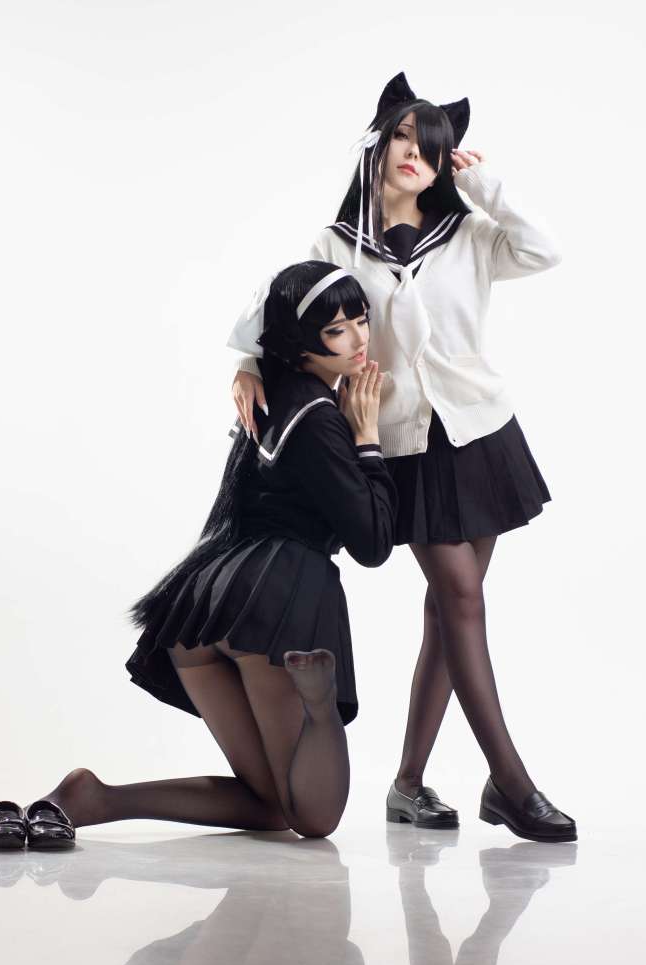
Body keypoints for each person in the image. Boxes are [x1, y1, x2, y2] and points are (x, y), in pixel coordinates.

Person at [230, 72, 577, 843]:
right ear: (379, 144)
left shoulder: (469, 233)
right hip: (405, 443)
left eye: (431, 144)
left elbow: (544, 248)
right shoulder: (335, 243)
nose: (414, 151)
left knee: (446, 611)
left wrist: (481, 183)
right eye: (402, 136)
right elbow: (285, 309)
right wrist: (251, 363)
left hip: (481, 433)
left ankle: (408, 785)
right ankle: (510, 782)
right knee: (461, 597)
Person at [0, 261, 398, 849]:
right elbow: (373, 544)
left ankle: (93, 798)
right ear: (300, 341)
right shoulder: (321, 418)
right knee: (315, 818)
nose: (358, 340)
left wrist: (246, 367)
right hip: (276, 604)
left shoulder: (267, 393)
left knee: (272, 807)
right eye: (336, 330)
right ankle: (320, 701)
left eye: (361, 321)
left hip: (205, 606)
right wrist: (368, 437)